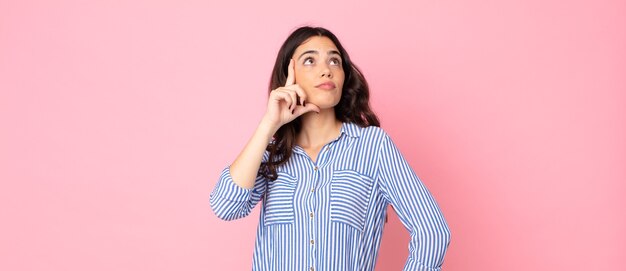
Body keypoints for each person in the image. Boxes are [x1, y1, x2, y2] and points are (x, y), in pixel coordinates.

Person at [210, 26, 450, 271]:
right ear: (289, 75)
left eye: (334, 61)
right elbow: (226, 206)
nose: (326, 70)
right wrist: (269, 125)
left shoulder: (373, 147)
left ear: (344, 76)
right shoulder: (271, 153)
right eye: (310, 61)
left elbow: (432, 231)